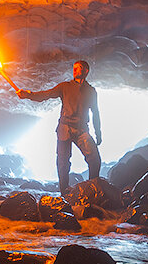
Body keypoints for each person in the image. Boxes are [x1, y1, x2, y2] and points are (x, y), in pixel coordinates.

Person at [17, 60, 102, 193]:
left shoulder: (91, 91)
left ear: (86, 71)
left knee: (95, 160)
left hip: (81, 130)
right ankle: (64, 193)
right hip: (64, 129)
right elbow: (46, 95)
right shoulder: (64, 87)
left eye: (78, 68)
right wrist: (28, 94)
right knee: (63, 163)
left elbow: (95, 112)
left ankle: (92, 190)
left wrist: (98, 133)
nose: (74, 70)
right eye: (73, 68)